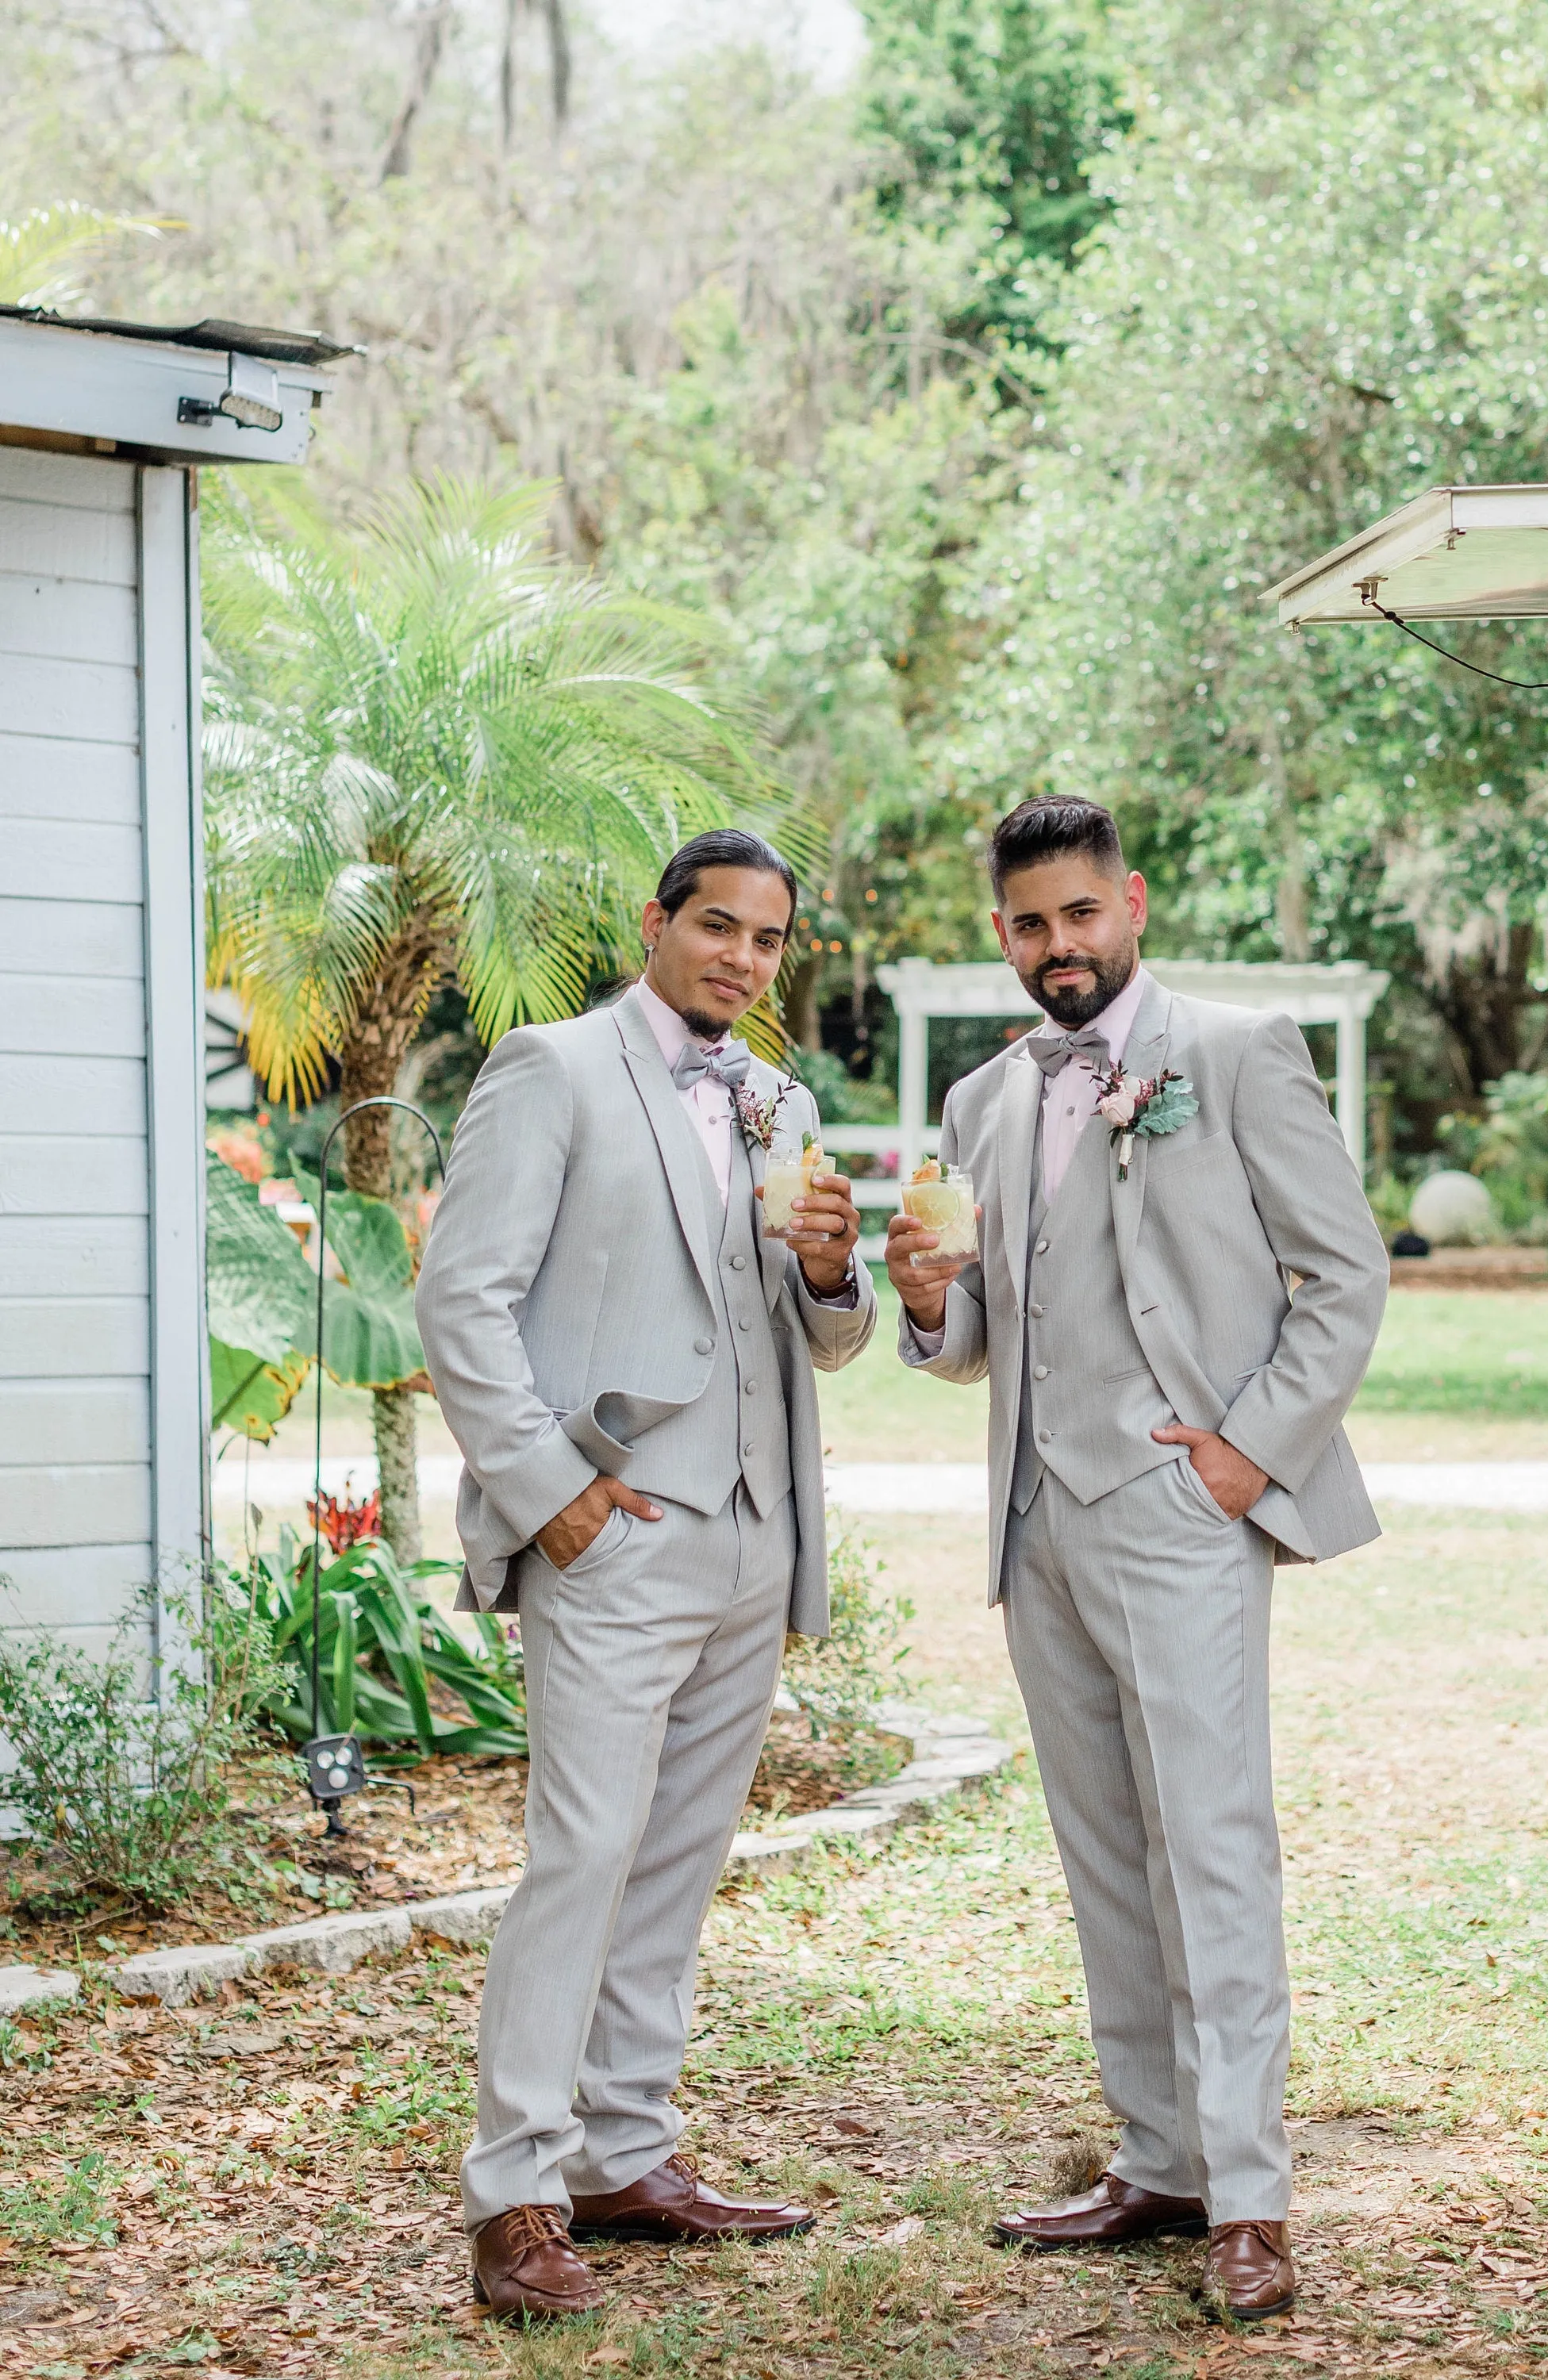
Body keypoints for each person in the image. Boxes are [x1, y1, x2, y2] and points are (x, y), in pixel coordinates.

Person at [885, 796, 1388, 2320]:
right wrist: (922, 1300)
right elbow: (978, 1341)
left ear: (1133, 905)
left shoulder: (1236, 1055)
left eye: (1081, 917)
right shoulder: (981, 1102)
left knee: (1211, 1844)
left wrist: (1246, 1452)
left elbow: (1345, 1273)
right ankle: (1158, 2157)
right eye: (1030, 926)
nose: (1059, 949)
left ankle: (1250, 2194)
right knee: (1105, 1849)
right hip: (1038, 1521)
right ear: (1002, 937)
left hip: (1180, 1509)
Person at [417, 827, 877, 2320]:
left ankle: (624, 2151)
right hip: (614, 1536)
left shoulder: (779, 1100)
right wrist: (550, 1496)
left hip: (753, 1537)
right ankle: (515, 2192)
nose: (741, 958)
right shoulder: (551, 1069)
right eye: (718, 928)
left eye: (766, 940)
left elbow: (827, 1337)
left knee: (679, 1859)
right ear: (656, 923)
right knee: (585, 1853)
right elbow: (463, 1299)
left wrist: (828, 1268)